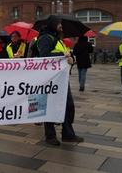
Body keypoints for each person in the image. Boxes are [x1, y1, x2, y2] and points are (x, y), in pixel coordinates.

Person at [37, 15, 83, 146]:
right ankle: (50, 136)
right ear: (52, 24)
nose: (61, 26)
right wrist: (63, 56)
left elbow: (66, 55)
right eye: (59, 23)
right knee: (50, 106)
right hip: (50, 80)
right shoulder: (45, 38)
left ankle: (68, 134)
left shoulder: (59, 40)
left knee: (68, 106)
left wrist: (71, 59)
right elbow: (44, 56)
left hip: (61, 79)